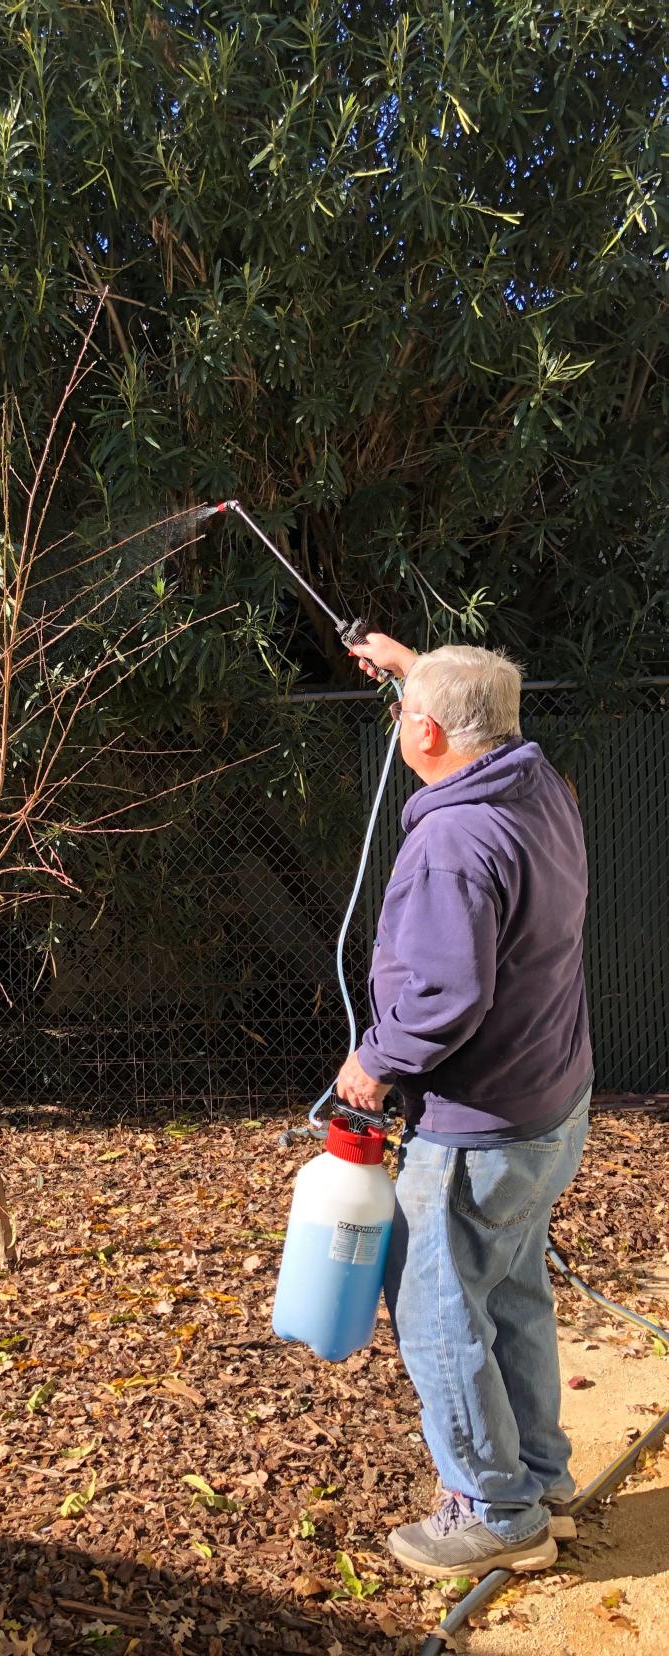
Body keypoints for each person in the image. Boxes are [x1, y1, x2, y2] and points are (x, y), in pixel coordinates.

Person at [335, 634, 592, 1578]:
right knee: (511, 1289)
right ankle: (539, 1476)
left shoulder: (450, 839)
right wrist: (415, 672)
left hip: (477, 1122)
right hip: (551, 1102)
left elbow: (444, 996)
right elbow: (467, 713)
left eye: (410, 715)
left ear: (430, 731)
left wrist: (374, 1064)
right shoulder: (538, 787)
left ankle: (495, 1510)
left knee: (439, 1309)